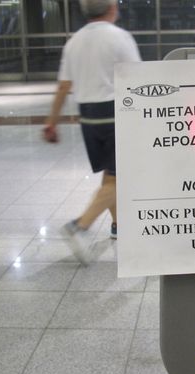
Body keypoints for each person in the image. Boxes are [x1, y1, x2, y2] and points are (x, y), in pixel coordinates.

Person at [43, 0, 141, 264]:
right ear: (112, 9)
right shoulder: (120, 38)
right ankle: (79, 226)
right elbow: (137, 79)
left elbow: (64, 86)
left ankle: (119, 226)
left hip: (88, 119)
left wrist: (52, 122)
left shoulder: (73, 42)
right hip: (115, 115)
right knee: (120, 177)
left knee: (111, 176)